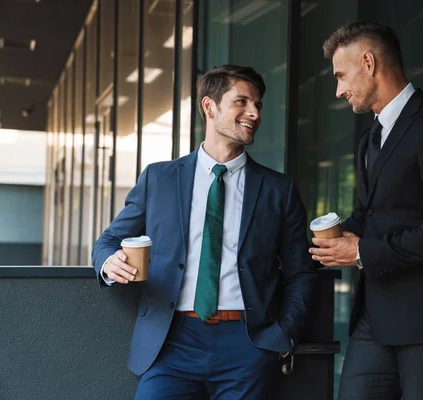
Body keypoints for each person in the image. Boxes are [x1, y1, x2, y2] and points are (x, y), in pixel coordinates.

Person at [92, 64, 316, 399]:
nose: (254, 113)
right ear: (209, 107)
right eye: (242, 102)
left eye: (258, 105)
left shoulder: (277, 190)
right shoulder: (160, 178)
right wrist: (109, 263)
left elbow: (301, 272)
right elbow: (108, 241)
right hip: (171, 342)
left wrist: (281, 336)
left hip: (247, 344)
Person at [309, 21, 423, 399]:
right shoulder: (369, 138)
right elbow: (368, 214)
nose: (339, 89)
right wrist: (317, 245)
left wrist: (360, 252)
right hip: (375, 317)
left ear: (369, 62)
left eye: (342, 76)